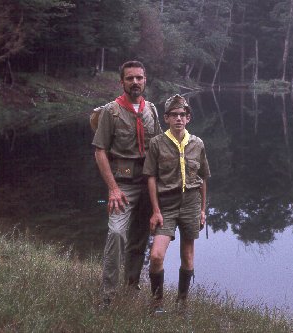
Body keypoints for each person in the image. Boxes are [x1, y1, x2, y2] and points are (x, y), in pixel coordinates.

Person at [92, 60, 162, 306]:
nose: (135, 82)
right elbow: (100, 151)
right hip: (122, 185)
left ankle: (132, 285)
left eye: (139, 78)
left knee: (139, 239)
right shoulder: (111, 111)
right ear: (121, 82)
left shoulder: (151, 110)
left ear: (145, 81)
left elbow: (161, 148)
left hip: (148, 184)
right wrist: (112, 189)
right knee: (116, 233)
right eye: (130, 78)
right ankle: (108, 295)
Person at [143, 94, 210, 312]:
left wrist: (202, 210)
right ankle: (157, 302)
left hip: (191, 203)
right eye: (174, 115)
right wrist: (155, 210)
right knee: (156, 255)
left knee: (188, 256)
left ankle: (182, 302)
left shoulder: (197, 144)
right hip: (166, 205)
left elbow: (203, 178)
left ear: (188, 118)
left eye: (183, 115)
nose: (179, 119)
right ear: (167, 118)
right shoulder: (157, 143)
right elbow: (151, 177)